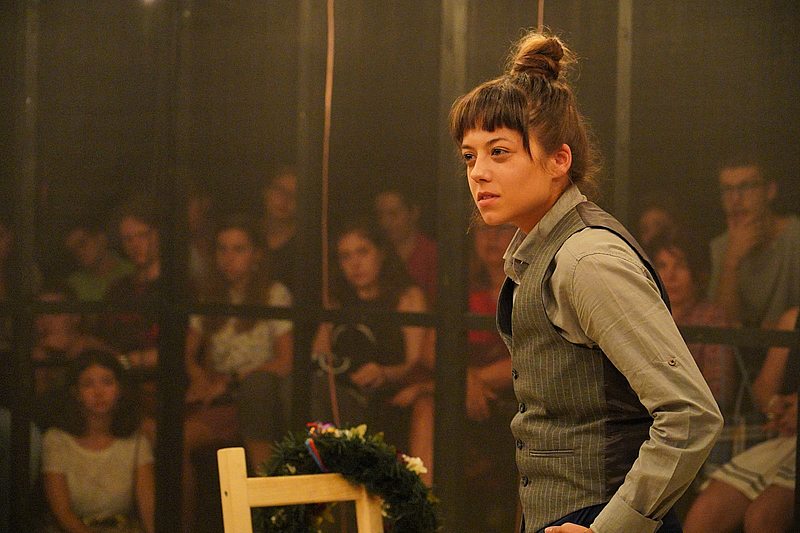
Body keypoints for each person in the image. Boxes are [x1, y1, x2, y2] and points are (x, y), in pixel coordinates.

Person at [449, 31, 722, 533]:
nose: (478, 173)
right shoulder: (539, 252)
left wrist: (610, 529)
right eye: (470, 156)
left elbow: (690, 414)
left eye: (499, 152)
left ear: (559, 160)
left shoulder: (587, 259)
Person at [182, 214, 293, 532]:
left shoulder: (274, 294)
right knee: (164, 439)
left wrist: (232, 383)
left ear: (256, 254)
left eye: (239, 249)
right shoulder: (210, 295)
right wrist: (198, 377)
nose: (229, 258)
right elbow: (186, 352)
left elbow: (286, 361)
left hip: (254, 397)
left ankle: (269, 521)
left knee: (181, 438)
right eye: (223, 249)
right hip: (214, 396)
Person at [311, 221, 433, 462]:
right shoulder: (336, 299)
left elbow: (416, 362)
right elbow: (317, 354)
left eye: (362, 252)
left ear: (381, 252)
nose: (355, 264)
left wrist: (384, 373)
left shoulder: (407, 297)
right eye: (346, 256)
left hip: (388, 395)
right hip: (339, 388)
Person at [683, 306, 798, 533]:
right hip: (786, 438)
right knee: (706, 512)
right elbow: (763, 390)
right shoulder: (793, 318)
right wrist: (778, 407)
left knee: (763, 516)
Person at [40, 350, 154, 533]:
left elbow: (149, 511)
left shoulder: (136, 442)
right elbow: (63, 515)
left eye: (107, 382)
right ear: (76, 393)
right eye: (88, 384)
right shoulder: (57, 440)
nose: (99, 392)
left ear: (119, 389)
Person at [708, 153, 800, 329]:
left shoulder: (795, 238)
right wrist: (731, 261)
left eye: (746, 187)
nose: (735, 199)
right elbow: (720, 328)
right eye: (727, 189)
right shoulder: (720, 247)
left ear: (770, 191)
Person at [649, 234, 737, 415]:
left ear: (698, 273)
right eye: (662, 266)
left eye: (680, 266)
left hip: (695, 418)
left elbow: (719, 392)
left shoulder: (712, 319)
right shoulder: (644, 314)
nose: (670, 276)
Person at [374, 188, 438, 305]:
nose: (385, 222)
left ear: (413, 213)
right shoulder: (374, 255)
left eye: (393, 214)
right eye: (380, 215)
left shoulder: (432, 254)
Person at [64, 215, 134, 303]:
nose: (79, 252)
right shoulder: (73, 285)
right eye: (73, 250)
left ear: (101, 239)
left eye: (82, 243)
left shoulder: (133, 272)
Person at [260, 166, 299, 295]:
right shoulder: (247, 234)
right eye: (280, 190)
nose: (285, 199)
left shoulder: (304, 245)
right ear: (266, 192)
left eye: (294, 195)